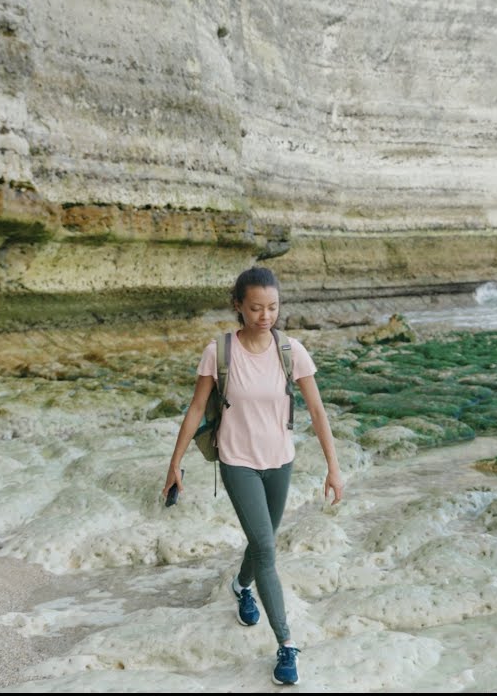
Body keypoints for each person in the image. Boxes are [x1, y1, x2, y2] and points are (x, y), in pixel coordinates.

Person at [163, 265, 344, 687]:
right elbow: (195, 409)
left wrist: (334, 468)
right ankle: (285, 645)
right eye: (256, 308)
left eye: (273, 307)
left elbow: (317, 411)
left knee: (262, 542)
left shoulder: (291, 351)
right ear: (239, 306)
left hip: (280, 460)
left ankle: (242, 586)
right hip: (237, 460)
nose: (266, 315)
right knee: (265, 545)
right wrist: (174, 464)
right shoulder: (219, 351)